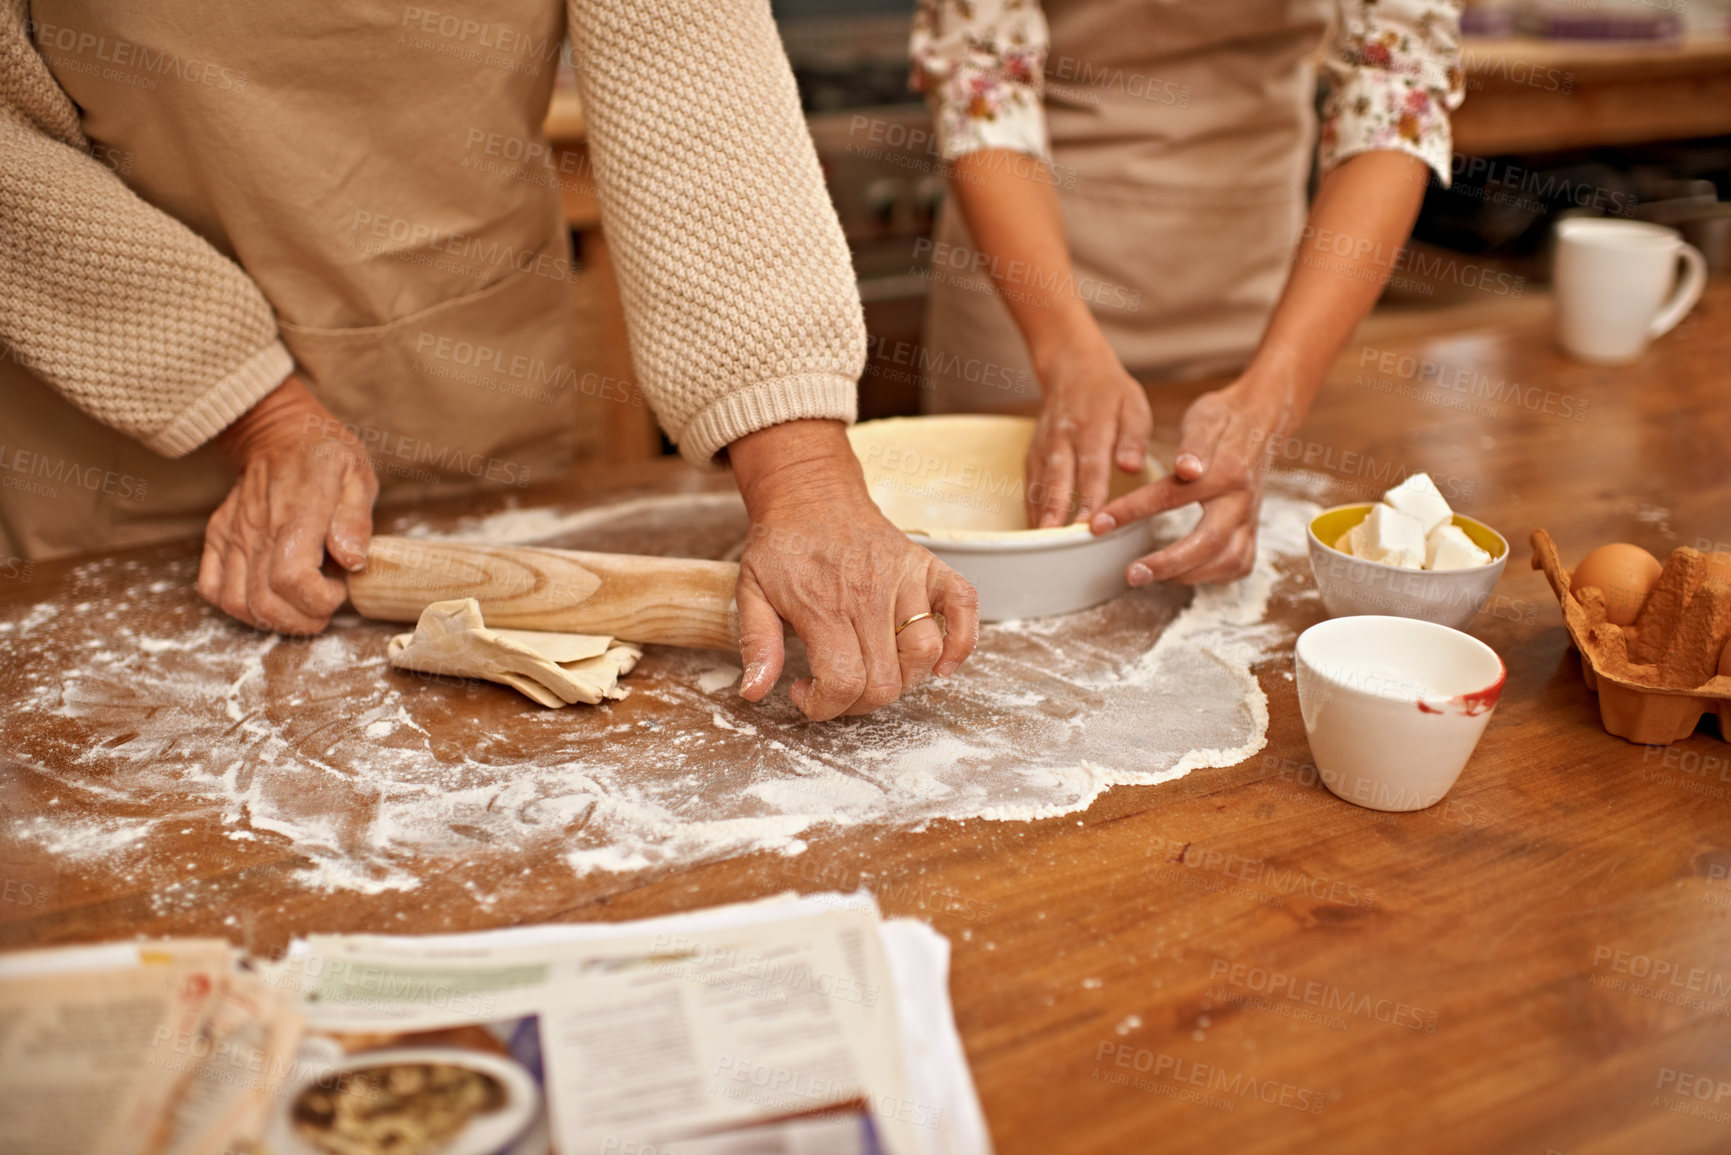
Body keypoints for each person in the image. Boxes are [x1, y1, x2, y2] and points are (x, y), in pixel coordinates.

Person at [0, 0, 978, 720]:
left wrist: (803, 474)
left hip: (463, 356)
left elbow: (691, 67)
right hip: (133, 389)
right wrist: (261, 416)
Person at [911, 0, 1464, 584]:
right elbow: (983, 76)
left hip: (1262, 289)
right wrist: (1064, 349)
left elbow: (1394, 92)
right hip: (1028, 288)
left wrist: (1276, 388)